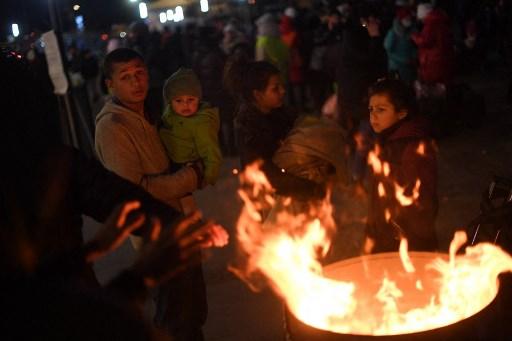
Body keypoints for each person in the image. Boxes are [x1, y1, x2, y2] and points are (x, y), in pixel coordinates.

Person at [95, 48, 207, 340]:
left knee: (194, 315)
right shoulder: (112, 126)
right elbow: (133, 190)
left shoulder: (151, 112)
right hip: (156, 237)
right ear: (111, 84)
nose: (136, 82)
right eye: (126, 76)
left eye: (139, 73)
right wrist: (190, 177)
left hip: (182, 225)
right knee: (175, 320)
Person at [224, 55, 325, 202]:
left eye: (282, 86)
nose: (283, 91)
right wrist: (309, 188)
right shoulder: (248, 128)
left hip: (289, 190)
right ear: (257, 95)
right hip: (267, 198)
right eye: (275, 88)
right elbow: (266, 173)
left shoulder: (279, 113)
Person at [363, 78, 438, 254]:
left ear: (402, 113)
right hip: (384, 237)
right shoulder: (385, 140)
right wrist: (371, 233)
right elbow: (377, 197)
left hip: (407, 245)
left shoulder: (415, 148)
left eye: (381, 110)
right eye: (371, 109)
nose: (373, 116)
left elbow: (421, 203)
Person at [160, 68, 222, 187]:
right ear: (170, 103)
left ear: (198, 99)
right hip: (170, 164)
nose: (185, 105)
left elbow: (211, 151)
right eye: (179, 100)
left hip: (188, 167)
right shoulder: (170, 115)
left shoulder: (201, 123)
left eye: (190, 100)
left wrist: (208, 177)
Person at [383, 7, 417, 84]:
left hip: (409, 66)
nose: (408, 20)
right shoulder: (393, 33)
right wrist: (401, 60)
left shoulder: (412, 31)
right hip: (396, 66)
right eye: (406, 18)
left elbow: (413, 47)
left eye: (409, 18)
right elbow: (387, 48)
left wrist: (414, 56)